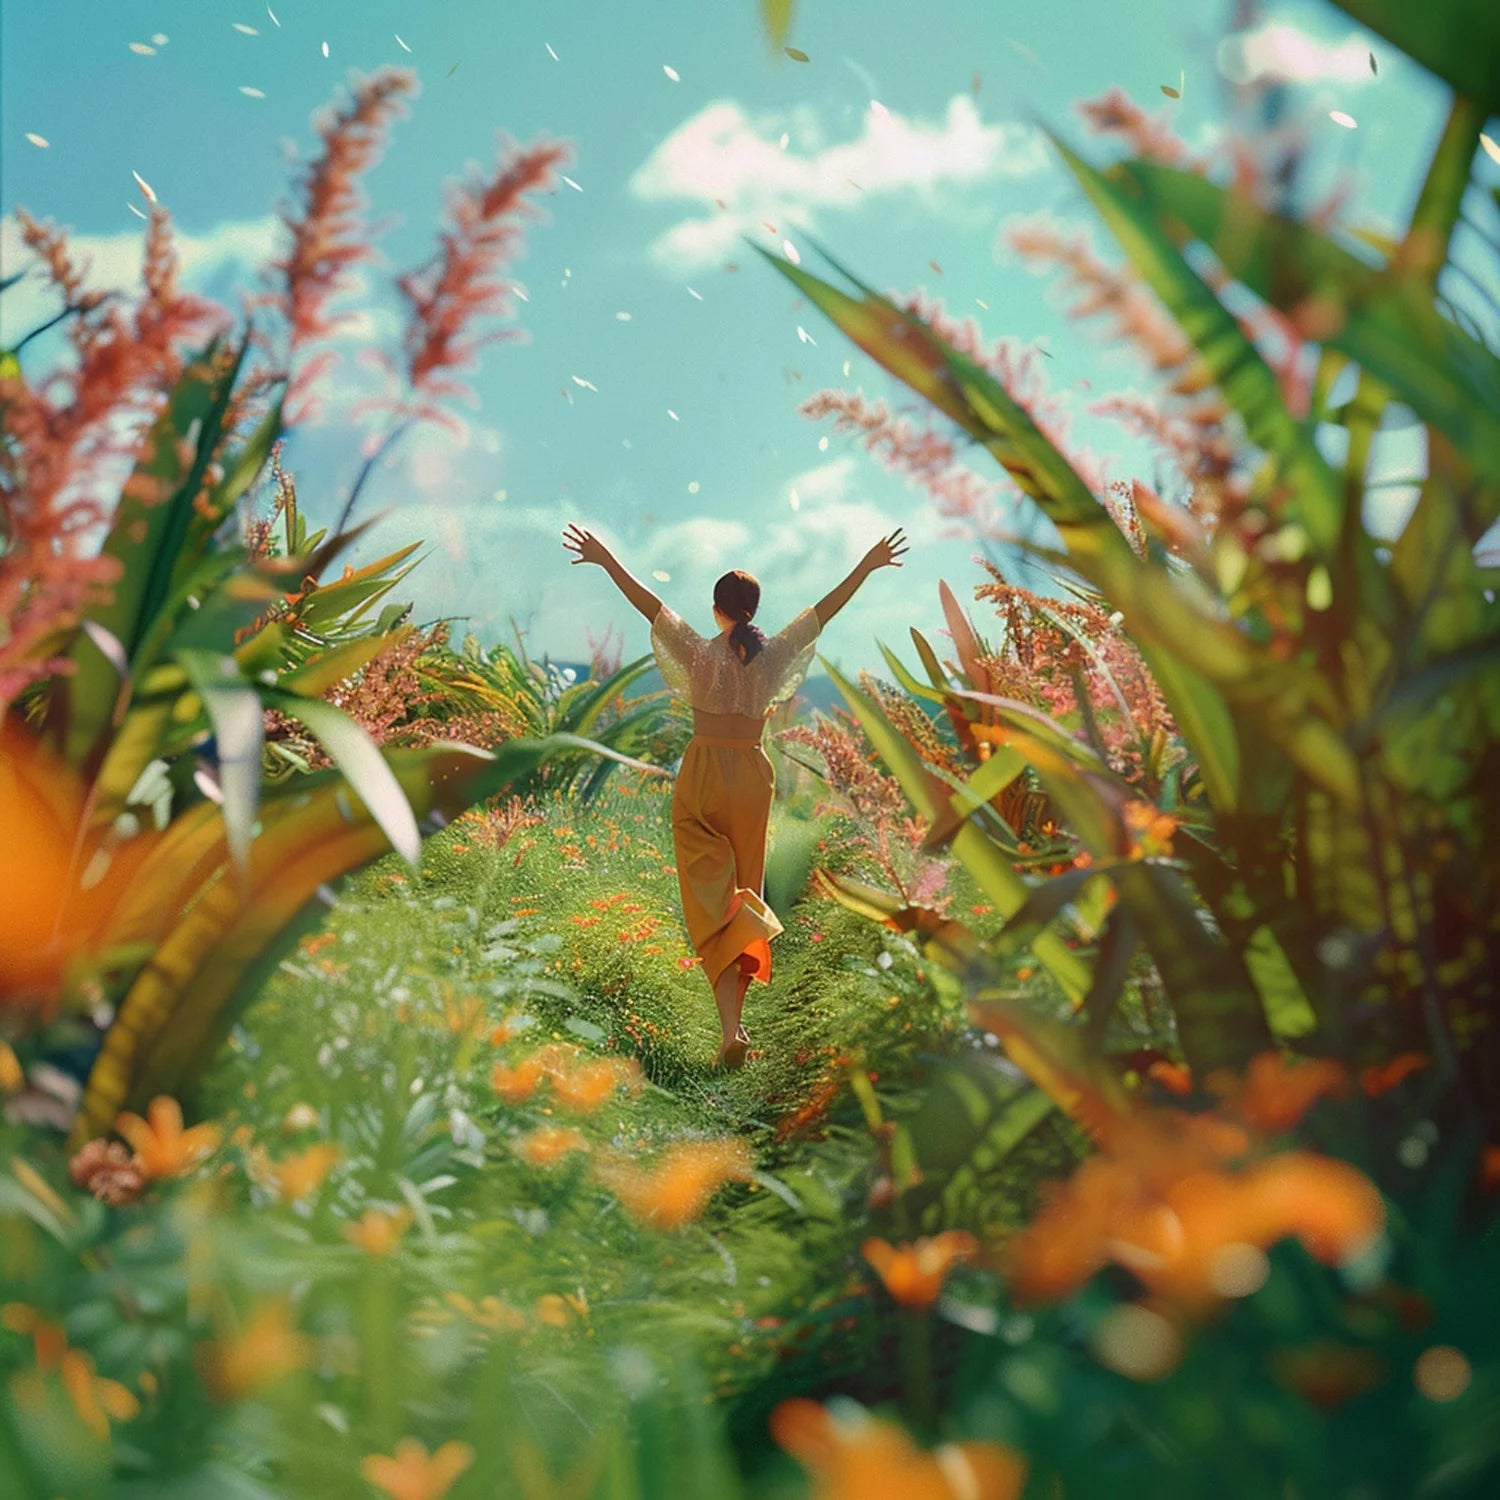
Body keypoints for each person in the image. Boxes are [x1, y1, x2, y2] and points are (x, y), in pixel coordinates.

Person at [562, 523, 908, 1069]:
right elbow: (824, 611)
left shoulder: (700, 654)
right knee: (741, 894)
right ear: (752, 608)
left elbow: (648, 606)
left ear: (718, 609)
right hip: (752, 777)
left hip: (702, 774)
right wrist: (866, 565)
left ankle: (730, 1028)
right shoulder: (771, 658)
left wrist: (607, 559)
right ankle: (733, 1029)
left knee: (708, 901)